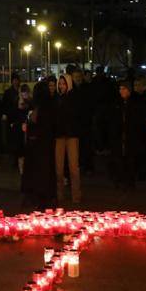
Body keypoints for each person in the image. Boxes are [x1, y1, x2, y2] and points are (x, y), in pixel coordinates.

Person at [21, 81, 57, 209]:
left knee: (40, 173)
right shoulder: (45, 106)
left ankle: (42, 198)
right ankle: (43, 197)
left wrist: (31, 128)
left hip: (39, 145)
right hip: (42, 144)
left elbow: (40, 125)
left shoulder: (42, 107)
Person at [54, 74, 81, 204]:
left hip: (71, 135)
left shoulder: (74, 98)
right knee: (58, 168)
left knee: (73, 168)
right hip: (59, 135)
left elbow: (76, 116)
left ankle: (76, 196)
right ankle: (59, 195)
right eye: (60, 84)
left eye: (64, 84)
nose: (61, 86)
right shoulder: (57, 99)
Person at [110, 80, 143, 189]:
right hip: (119, 135)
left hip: (130, 135)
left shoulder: (135, 102)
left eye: (123, 89)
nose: (121, 91)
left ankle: (130, 181)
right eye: (120, 89)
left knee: (130, 159)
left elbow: (138, 119)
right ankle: (120, 179)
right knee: (119, 159)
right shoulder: (116, 102)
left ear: (129, 90)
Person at [71, 68, 95, 175]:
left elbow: (91, 104)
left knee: (87, 145)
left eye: (79, 76)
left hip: (86, 122)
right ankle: (80, 165)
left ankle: (88, 166)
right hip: (76, 123)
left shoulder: (88, 89)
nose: (78, 79)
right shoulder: (71, 91)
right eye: (75, 77)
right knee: (78, 146)